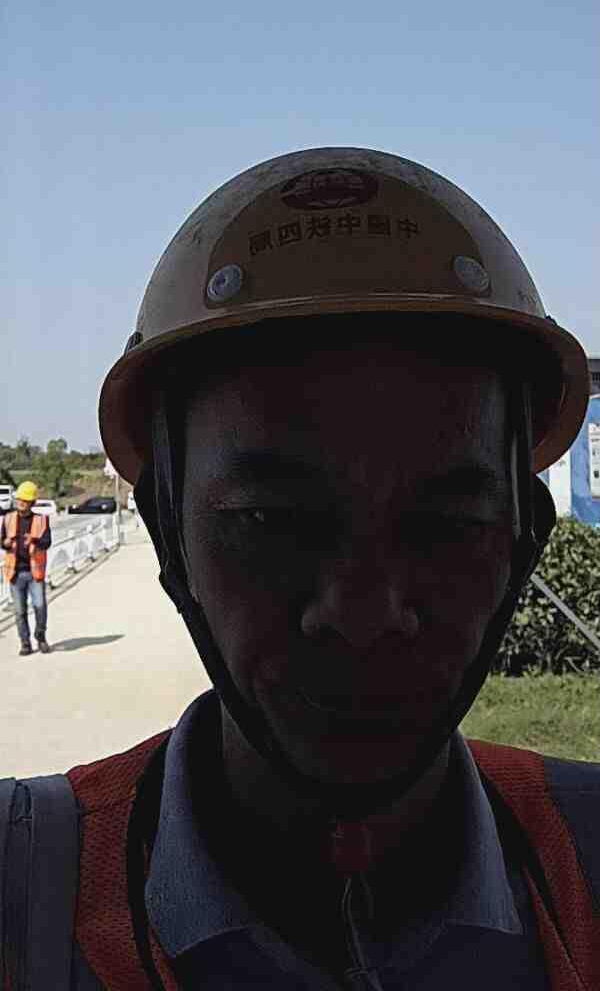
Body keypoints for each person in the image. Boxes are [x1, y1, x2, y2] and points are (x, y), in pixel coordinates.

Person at [1, 148, 599, 989]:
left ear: (522, 538)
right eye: (270, 521)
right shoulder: (27, 883)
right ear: (168, 535)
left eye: (445, 524)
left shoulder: (583, 852)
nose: (362, 614)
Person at [1, 480, 51, 655]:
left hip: (34, 572)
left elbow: (47, 542)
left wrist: (34, 541)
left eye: (25, 500)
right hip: (15, 572)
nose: (21, 502)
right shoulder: (8, 519)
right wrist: (5, 543)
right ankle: (25, 643)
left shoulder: (41, 520)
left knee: (40, 607)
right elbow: (2, 542)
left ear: (32, 503)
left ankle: (41, 637)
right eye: (19, 499)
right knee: (19, 611)